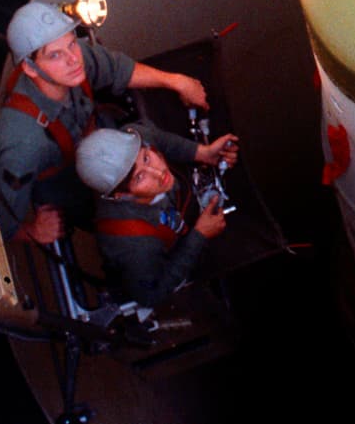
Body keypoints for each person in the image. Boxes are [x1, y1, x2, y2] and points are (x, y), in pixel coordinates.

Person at [0, 0, 211, 243]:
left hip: (98, 137)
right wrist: (33, 231)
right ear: (30, 69)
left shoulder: (75, 58)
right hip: (72, 184)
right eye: (55, 55)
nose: (73, 59)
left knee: (151, 143)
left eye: (72, 44)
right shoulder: (22, 143)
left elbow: (117, 69)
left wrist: (177, 81)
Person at [75, 121, 238, 307]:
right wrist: (199, 236)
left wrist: (202, 152)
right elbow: (150, 295)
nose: (158, 172)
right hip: (158, 259)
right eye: (139, 177)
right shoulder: (132, 244)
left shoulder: (134, 139)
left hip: (175, 214)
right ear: (121, 195)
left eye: (146, 158)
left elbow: (163, 141)